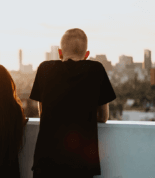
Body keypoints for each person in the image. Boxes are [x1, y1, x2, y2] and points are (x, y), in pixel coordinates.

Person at [29, 28, 116, 178]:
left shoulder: (45, 69)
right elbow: (103, 117)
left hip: (47, 162)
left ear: (60, 52)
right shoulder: (96, 70)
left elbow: (43, 112)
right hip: (82, 164)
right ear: (87, 55)